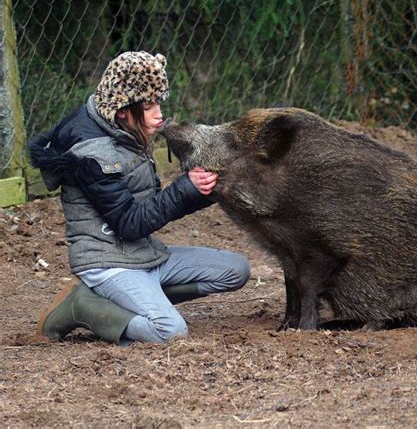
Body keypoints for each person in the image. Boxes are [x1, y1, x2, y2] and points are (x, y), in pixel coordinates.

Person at [28, 51, 250, 345]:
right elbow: (129, 223)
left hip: (141, 255)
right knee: (170, 332)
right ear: (123, 111)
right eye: (149, 105)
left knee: (236, 271)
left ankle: (134, 298)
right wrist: (185, 189)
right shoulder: (95, 154)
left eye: (158, 102)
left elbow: (151, 205)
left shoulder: (122, 130)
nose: (159, 114)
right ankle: (83, 306)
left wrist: (202, 190)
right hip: (108, 262)